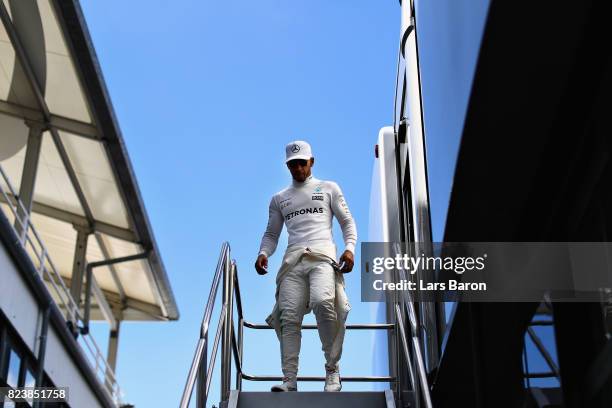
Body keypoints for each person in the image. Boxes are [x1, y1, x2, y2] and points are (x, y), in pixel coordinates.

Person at [255, 140, 357, 393]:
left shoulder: (329, 188)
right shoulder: (279, 198)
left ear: (312, 162)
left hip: (322, 257)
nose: (298, 168)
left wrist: (350, 249)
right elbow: (271, 233)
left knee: (324, 304)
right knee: (289, 318)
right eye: (292, 164)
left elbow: (347, 222)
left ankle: (332, 371)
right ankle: (289, 380)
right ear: (287, 166)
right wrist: (263, 253)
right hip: (293, 262)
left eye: (302, 163)